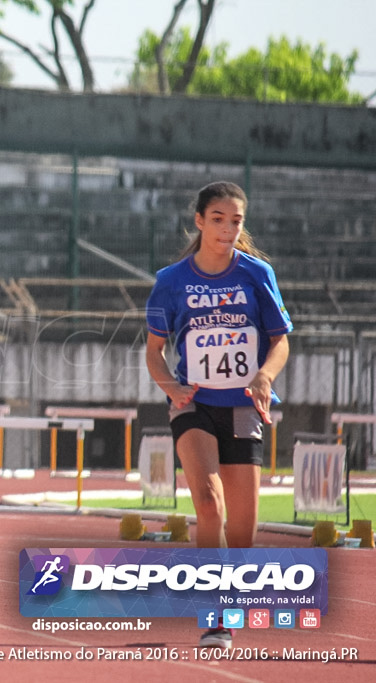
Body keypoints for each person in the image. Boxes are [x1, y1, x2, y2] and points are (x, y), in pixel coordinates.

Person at [144, 181, 292, 649]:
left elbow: (280, 341)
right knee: (208, 504)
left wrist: (265, 376)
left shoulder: (256, 274)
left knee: (243, 533)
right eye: (218, 219)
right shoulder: (171, 281)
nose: (228, 229)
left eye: (236, 221)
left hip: (244, 407)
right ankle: (214, 618)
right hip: (195, 406)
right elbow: (154, 352)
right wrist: (172, 386)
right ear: (200, 221)